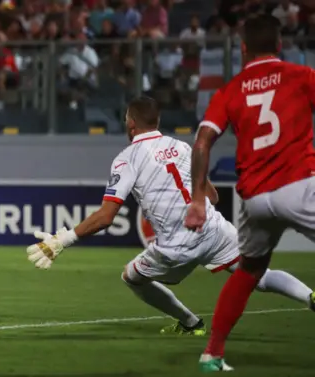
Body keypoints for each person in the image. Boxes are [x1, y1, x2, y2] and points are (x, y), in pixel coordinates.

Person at [26, 96, 313, 341]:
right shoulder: (183, 147)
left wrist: (63, 239)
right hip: (213, 229)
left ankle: (190, 323)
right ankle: (310, 296)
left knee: (131, 276)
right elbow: (211, 196)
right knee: (260, 276)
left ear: (130, 123)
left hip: (176, 245)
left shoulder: (128, 158)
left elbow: (106, 216)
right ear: (158, 121)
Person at [185, 14, 315, 372]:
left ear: (243, 49)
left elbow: (202, 142)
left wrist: (197, 198)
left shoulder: (231, 90)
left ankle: (212, 353)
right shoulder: (302, 76)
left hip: (255, 199)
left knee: (248, 271)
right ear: (280, 45)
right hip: (299, 185)